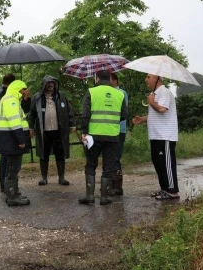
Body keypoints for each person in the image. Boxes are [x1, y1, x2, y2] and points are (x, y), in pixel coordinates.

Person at [78, 70, 127, 205]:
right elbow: (124, 115)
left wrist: (84, 131)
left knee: (91, 165)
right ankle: (104, 198)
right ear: (110, 79)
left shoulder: (91, 92)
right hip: (112, 135)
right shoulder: (120, 94)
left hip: (93, 136)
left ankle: (90, 196)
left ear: (97, 78)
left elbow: (85, 114)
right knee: (108, 166)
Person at [132, 74, 180, 200]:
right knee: (158, 162)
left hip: (165, 136)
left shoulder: (164, 92)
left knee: (167, 164)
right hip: (156, 135)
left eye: (148, 77)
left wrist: (151, 102)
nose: (145, 79)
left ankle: (172, 191)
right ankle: (164, 189)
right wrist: (142, 119)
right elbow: (157, 114)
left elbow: (162, 109)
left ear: (157, 78)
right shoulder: (156, 93)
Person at [28, 75, 75, 186]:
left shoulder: (61, 96)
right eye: (48, 83)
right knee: (44, 154)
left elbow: (69, 111)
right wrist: (31, 128)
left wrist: (72, 124)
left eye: (52, 83)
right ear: (44, 84)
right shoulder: (37, 98)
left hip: (58, 130)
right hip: (44, 131)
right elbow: (32, 114)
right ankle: (44, 178)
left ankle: (62, 178)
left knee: (60, 153)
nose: (50, 85)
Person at [0, 80, 31, 206]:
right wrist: (21, 140)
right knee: (13, 168)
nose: (27, 91)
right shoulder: (11, 100)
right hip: (11, 140)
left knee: (12, 167)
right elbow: (14, 122)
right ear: (19, 89)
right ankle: (12, 197)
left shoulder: (11, 99)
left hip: (9, 139)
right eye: (24, 89)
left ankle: (12, 193)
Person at [109, 72, 128, 195]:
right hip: (110, 129)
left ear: (116, 81)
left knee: (115, 157)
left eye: (110, 80)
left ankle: (117, 186)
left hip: (119, 129)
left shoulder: (121, 93)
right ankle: (111, 184)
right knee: (110, 158)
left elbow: (122, 111)